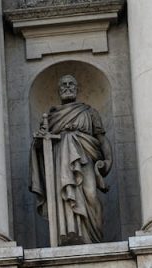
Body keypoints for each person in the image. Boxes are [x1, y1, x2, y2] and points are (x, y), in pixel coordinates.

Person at [30, 74, 113, 245]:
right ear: (59, 90)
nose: (67, 87)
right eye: (63, 85)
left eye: (71, 84)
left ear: (77, 89)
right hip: (61, 161)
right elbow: (41, 147)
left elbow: (102, 138)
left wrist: (108, 159)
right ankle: (70, 232)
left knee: (90, 194)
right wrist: (39, 140)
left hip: (85, 158)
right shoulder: (52, 117)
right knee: (65, 195)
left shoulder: (89, 112)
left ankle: (94, 236)